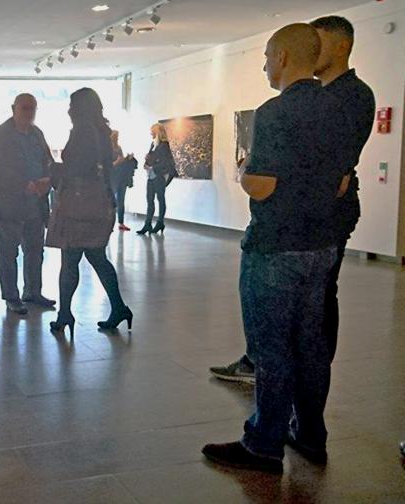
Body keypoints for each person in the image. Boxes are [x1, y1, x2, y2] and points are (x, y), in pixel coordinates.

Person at [202, 24, 353, 474]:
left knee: (271, 350)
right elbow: (343, 180)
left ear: (284, 58)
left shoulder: (274, 113)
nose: (266, 64)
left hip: (275, 247)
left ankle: (263, 444)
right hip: (321, 245)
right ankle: (310, 433)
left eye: (267, 56)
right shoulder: (341, 108)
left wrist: (245, 171)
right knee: (311, 345)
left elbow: (262, 185)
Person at [209, 16, 376, 386]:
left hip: (301, 226)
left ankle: (278, 410)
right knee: (303, 314)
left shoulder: (349, 97)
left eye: (319, 42)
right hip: (312, 220)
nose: (312, 49)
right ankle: (296, 397)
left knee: (305, 315)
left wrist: (251, 172)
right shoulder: (325, 101)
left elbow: (332, 173)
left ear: (341, 46)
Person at [45, 88, 132, 338]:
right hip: (100, 203)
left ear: (80, 108)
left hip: (79, 204)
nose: (69, 109)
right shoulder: (102, 132)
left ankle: (65, 314)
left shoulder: (82, 131)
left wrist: (53, 169)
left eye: (72, 104)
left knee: (70, 258)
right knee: (96, 257)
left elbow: (77, 168)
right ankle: (118, 307)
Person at [0, 93, 56, 316]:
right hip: (10, 205)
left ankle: (33, 291)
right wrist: (22, 185)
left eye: (33, 108)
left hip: (35, 203)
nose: (29, 113)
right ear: (14, 108)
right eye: (25, 108)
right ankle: (11, 296)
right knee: (8, 253)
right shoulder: (1, 134)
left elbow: (47, 161)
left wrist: (48, 179)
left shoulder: (37, 133)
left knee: (35, 250)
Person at [136, 123, 175, 235]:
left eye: (152, 131)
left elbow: (165, 163)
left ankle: (160, 222)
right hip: (151, 176)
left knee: (160, 199)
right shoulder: (153, 144)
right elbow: (152, 158)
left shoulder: (164, 145)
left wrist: (152, 166)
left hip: (158, 176)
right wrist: (146, 163)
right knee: (150, 200)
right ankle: (147, 224)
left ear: (157, 132)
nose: (151, 133)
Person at [109, 131, 135, 231]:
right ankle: (110, 224)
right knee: (112, 201)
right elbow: (107, 165)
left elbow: (121, 161)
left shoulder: (118, 148)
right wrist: (116, 162)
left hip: (121, 177)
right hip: (113, 177)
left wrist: (127, 158)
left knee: (121, 201)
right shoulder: (107, 149)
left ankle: (121, 222)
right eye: (115, 136)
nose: (117, 138)